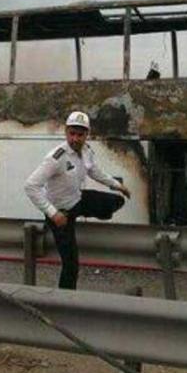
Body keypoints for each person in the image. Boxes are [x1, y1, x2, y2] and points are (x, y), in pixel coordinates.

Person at [24, 111, 131, 290]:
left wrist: (116, 185)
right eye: (72, 133)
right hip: (61, 214)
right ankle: (66, 300)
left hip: (77, 199)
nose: (75, 139)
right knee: (71, 264)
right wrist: (53, 213)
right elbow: (30, 186)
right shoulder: (55, 158)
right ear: (66, 132)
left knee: (117, 201)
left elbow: (94, 171)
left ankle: (101, 212)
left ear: (86, 135)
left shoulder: (87, 151)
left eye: (80, 135)